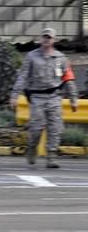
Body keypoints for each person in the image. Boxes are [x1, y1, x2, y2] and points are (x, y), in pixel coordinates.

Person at [10, 27, 78, 168]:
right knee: (36, 128)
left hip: (54, 97)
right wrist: (15, 95)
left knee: (55, 127)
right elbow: (23, 76)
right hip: (37, 97)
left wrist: (73, 99)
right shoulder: (31, 57)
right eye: (44, 37)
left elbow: (68, 79)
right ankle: (32, 148)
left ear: (54, 40)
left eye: (49, 37)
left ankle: (51, 157)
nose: (46, 39)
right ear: (41, 39)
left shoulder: (61, 58)